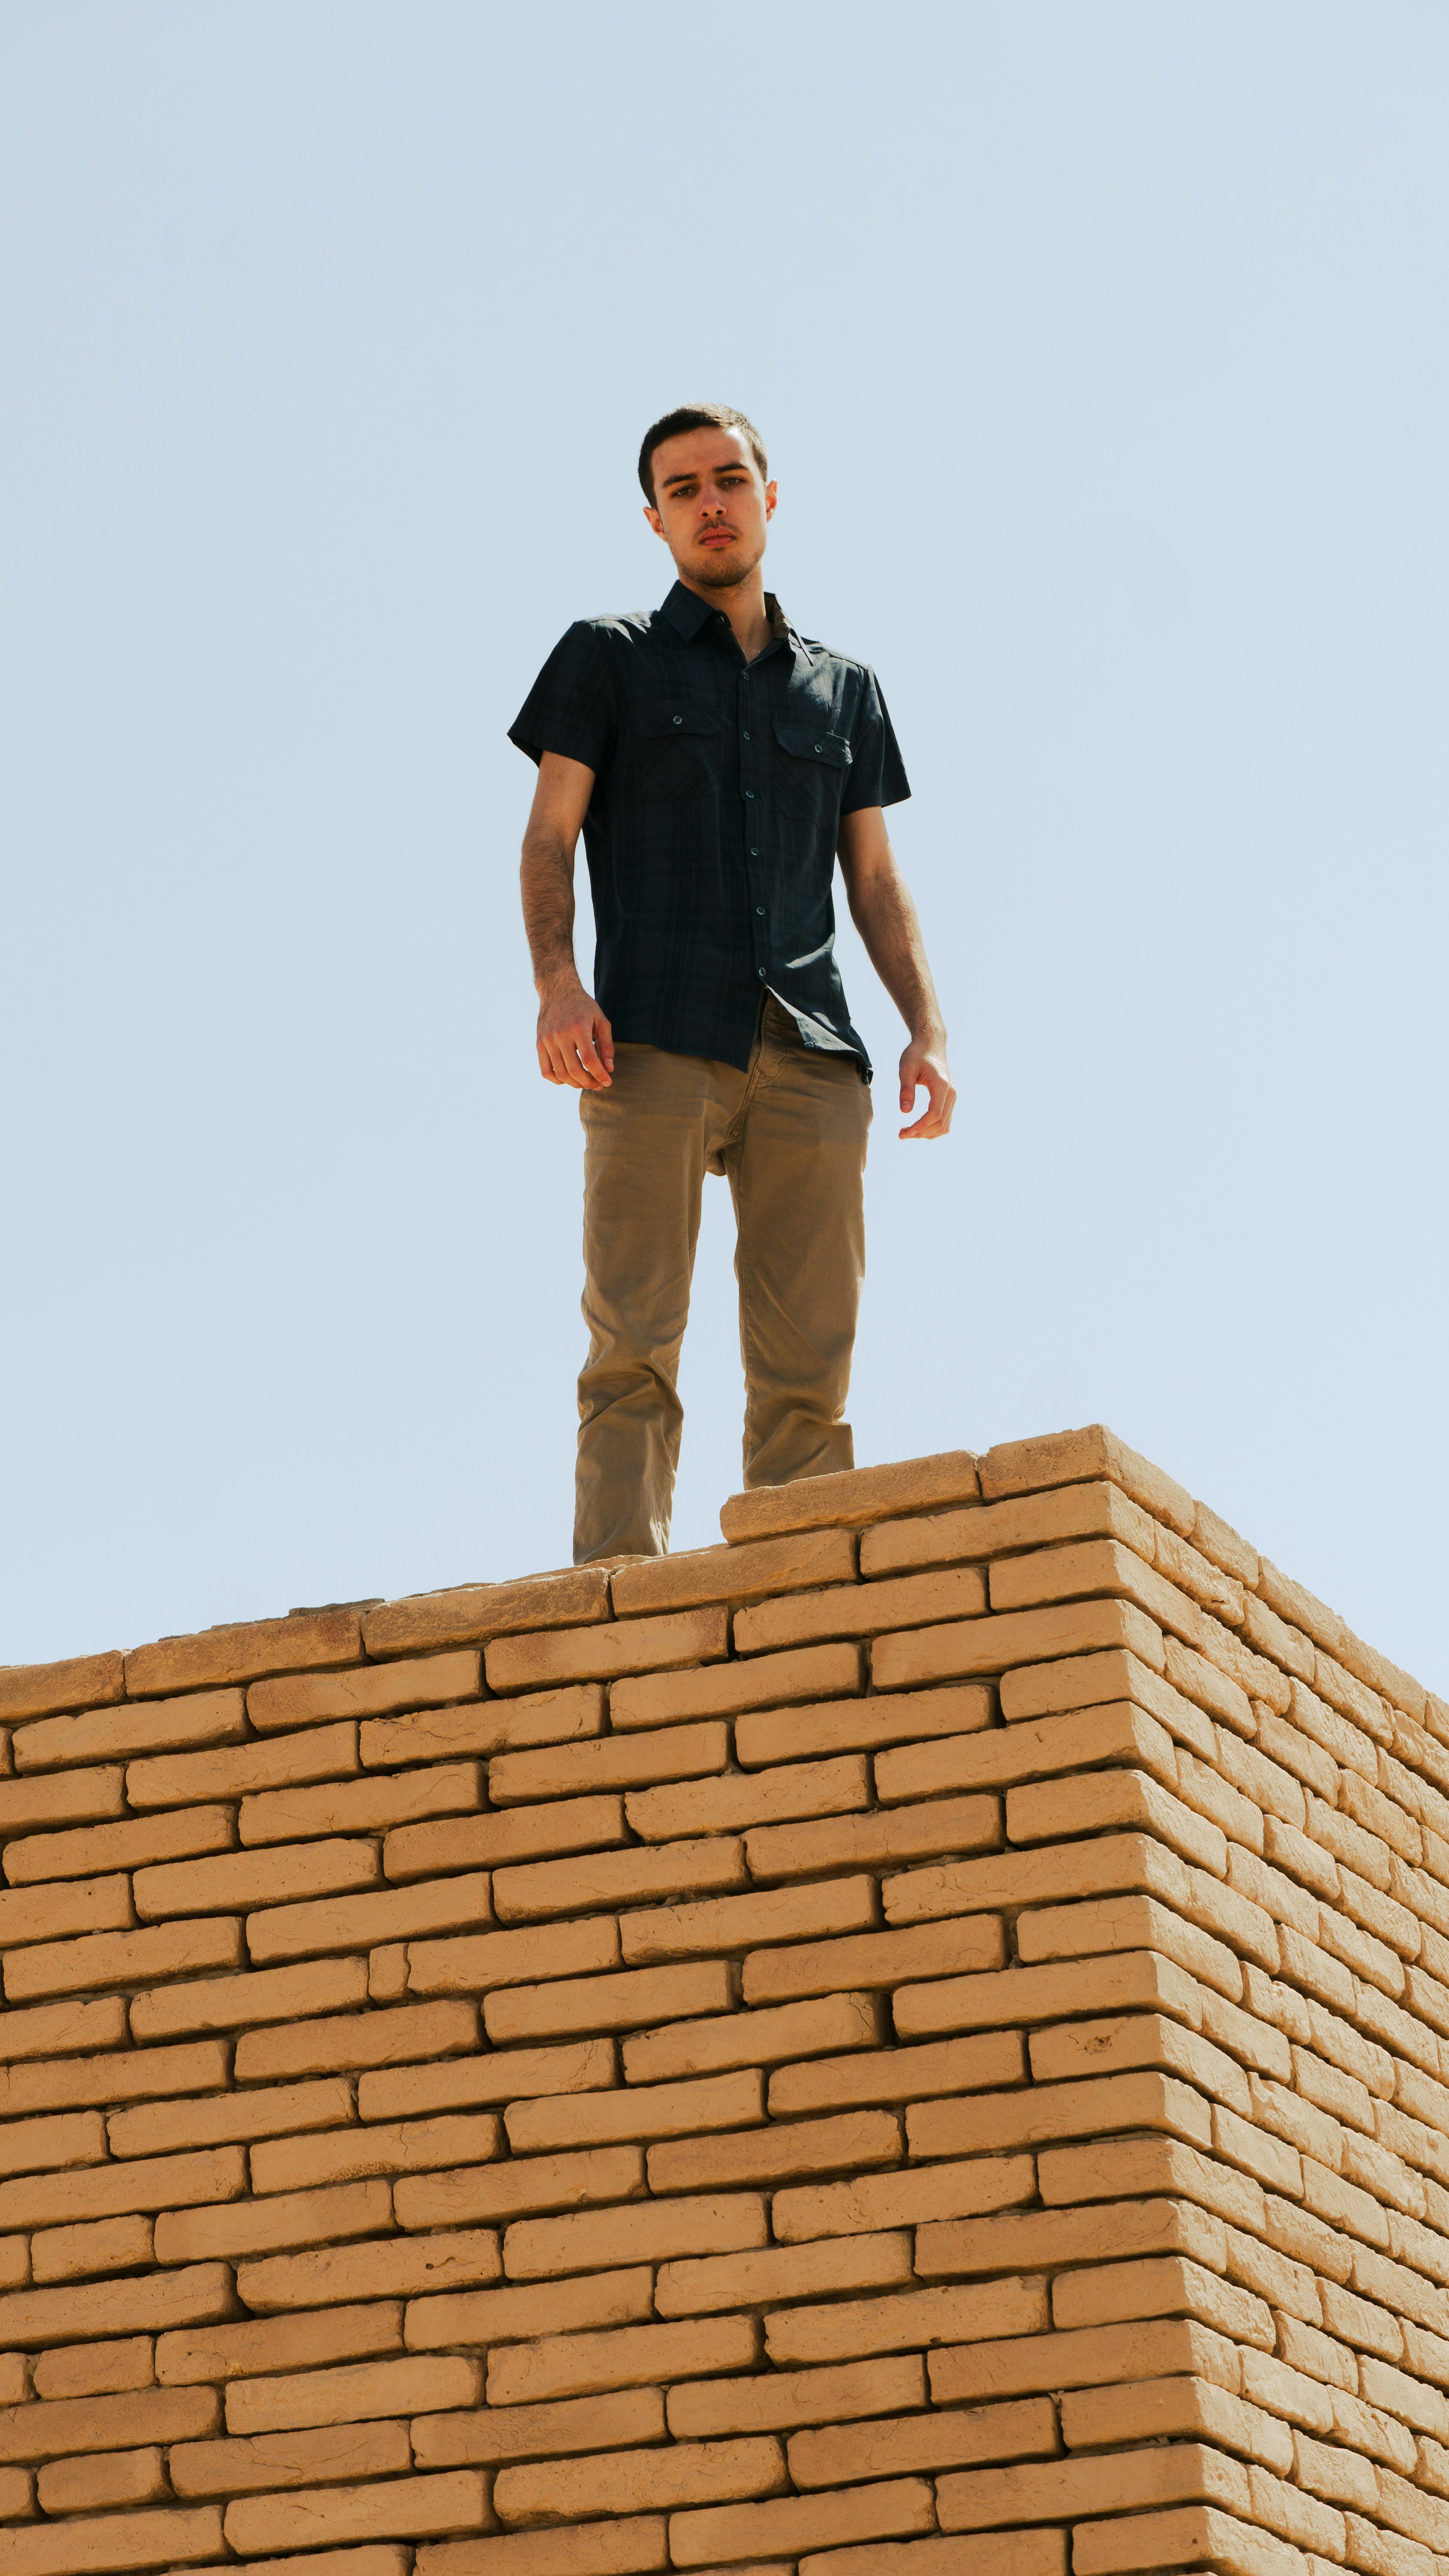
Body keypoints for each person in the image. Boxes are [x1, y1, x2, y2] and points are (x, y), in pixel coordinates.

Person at [509, 402, 955, 1565]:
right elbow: (549, 837)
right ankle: (616, 1602)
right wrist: (560, 986)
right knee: (632, 1348)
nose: (712, 502)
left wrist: (927, 1029)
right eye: (684, 488)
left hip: (811, 1050)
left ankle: (802, 1606)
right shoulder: (606, 657)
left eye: (730, 478)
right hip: (650, 1039)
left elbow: (874, 877)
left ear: (769, 496)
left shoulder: (843, 690)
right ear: (653, 519)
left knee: (811, 1370)